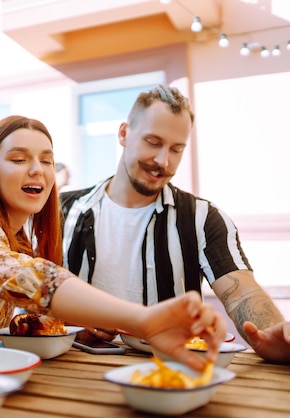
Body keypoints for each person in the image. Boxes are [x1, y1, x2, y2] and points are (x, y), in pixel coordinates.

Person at [0, 115, 227, 372]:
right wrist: (144, 320)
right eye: (18, 159)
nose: (38, 170)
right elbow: (14, 274)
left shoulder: (17, 240)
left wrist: (77, 323)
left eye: (47, 160)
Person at [60, 84, 290, 363]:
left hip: (169, 374)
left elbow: (241, 293)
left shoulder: (202, 217)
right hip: (69, 369)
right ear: (123, 133)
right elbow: (30, 292)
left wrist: (272, 331)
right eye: (153, 142)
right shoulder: (62, 210)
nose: (163, 161)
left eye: (177, 149)